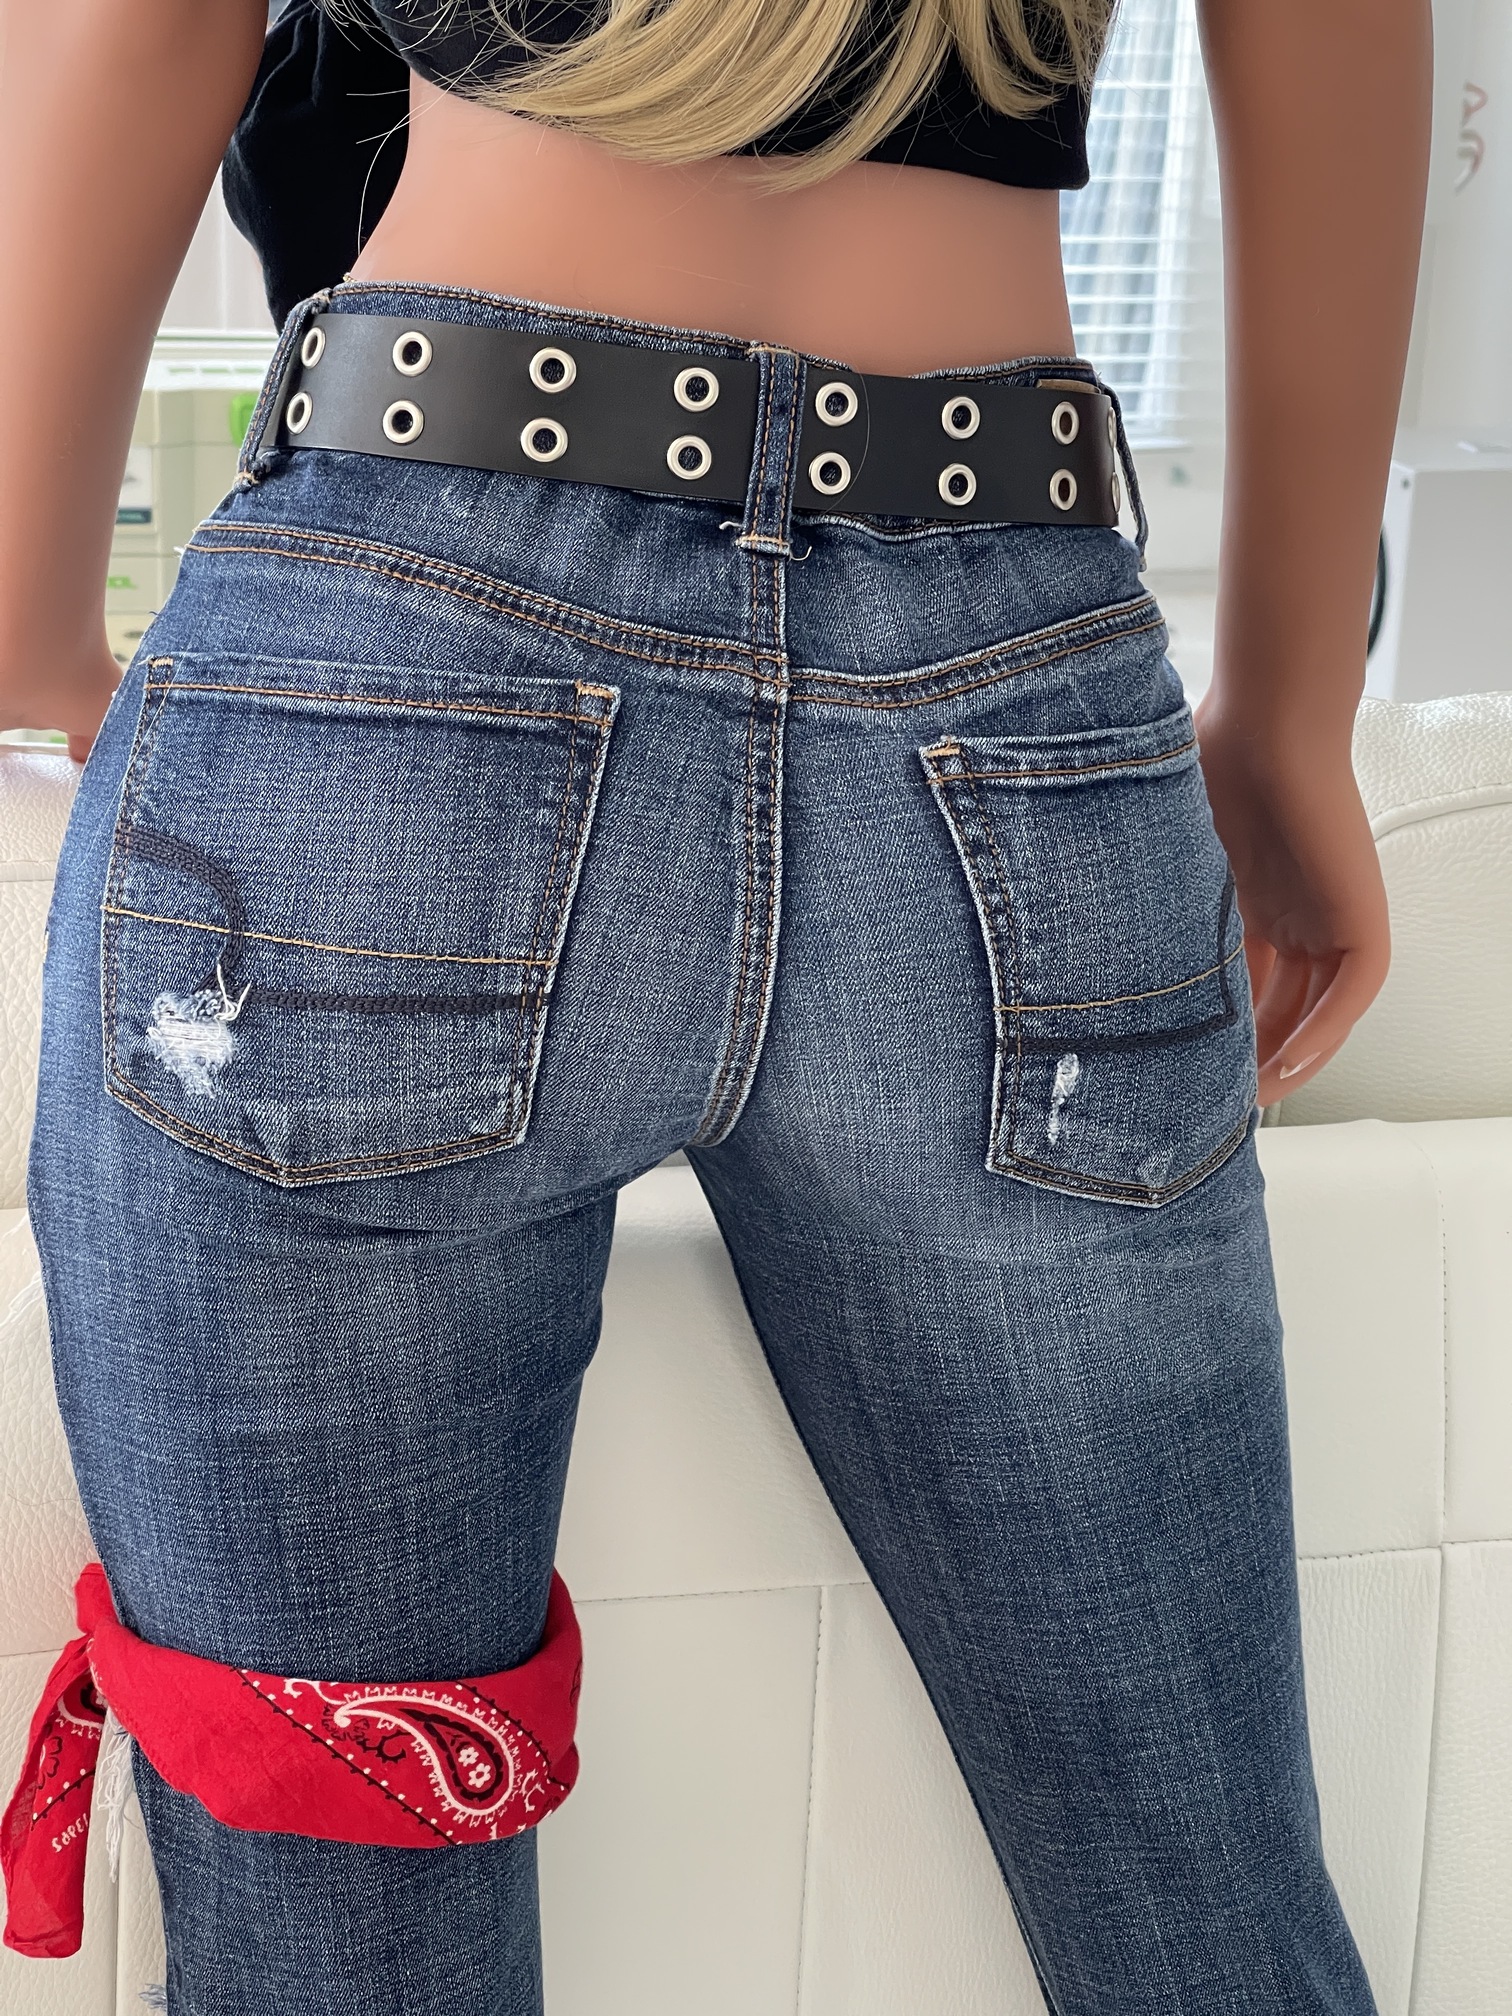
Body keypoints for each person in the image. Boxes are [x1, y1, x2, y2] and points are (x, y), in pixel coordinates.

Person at [0, 0, 1430, 2010]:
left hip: (392, 661)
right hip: (1012, 674)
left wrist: (29, 611)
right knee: (1202, 1913)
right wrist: (1287, 709)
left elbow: (140, 19)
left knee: (336, 1955)